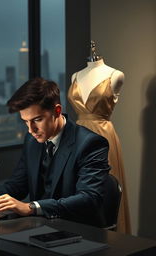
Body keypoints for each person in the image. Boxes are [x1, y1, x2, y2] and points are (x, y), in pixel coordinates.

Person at [0, 77, 111, 227]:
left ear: (57, 111)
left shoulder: (91, 143)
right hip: (39, 227)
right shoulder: (32, 140)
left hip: (80, 230)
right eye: (25, 121)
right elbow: (18, 183)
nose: (30, 130)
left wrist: (30, 207)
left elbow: (89, 199)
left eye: (37, 120)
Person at [67, 57, 131, 233]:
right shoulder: (75, 76)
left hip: (103, 135)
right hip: (77, 136)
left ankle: (111, 240)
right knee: (79, 190)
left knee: (106, 190)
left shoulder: (115, 75)